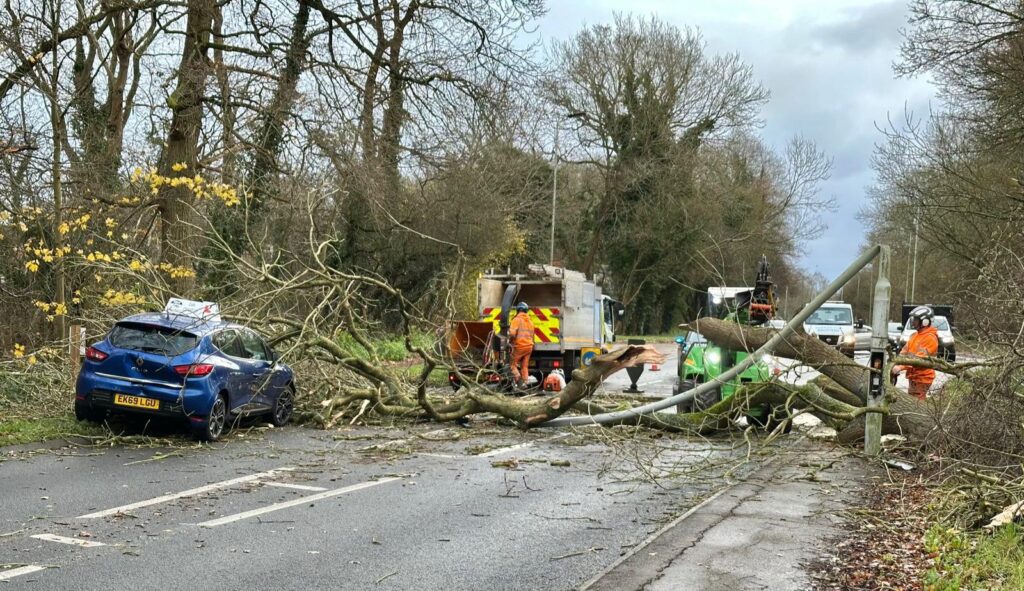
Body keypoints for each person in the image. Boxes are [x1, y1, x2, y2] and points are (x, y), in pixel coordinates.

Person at [891, 305, 939, 400]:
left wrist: (900, 367)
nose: (913, 322)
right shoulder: (915, 335)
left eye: (916, 320)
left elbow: (918, 360)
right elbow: (904, 352)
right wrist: (895, 362)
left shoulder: (930, 338)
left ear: (925, 322)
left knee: (916, 403)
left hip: (922, 377)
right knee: (912, 400)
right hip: (914, 376)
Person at [509, 302, 535, 388]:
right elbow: (532, 336)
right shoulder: (530, 321)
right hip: (529, 347)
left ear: (518, 310)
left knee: (512, 365)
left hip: (520, 347)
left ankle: (519, 381)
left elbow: (512, 334)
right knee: (524, 366)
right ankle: (525, 382)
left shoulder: (516, 319)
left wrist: (509, 340)